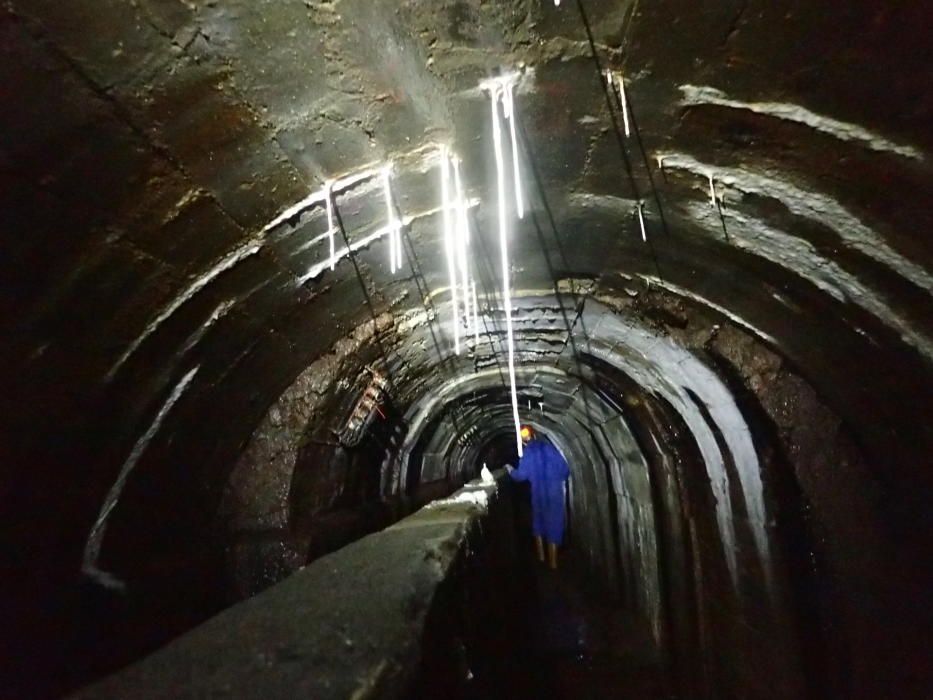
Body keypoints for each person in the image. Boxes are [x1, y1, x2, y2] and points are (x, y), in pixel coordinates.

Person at [506, 425, 570, 570]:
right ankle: (553, 564)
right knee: (554, 524)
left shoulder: (528, 453)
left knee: (539, 523)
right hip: (554, 494)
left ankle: (541, 558)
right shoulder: (550, 449)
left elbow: (520, 476)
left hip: (538, 493)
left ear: (523, 441)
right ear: (535, 435)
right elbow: (565, 470)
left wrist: (510, 470)